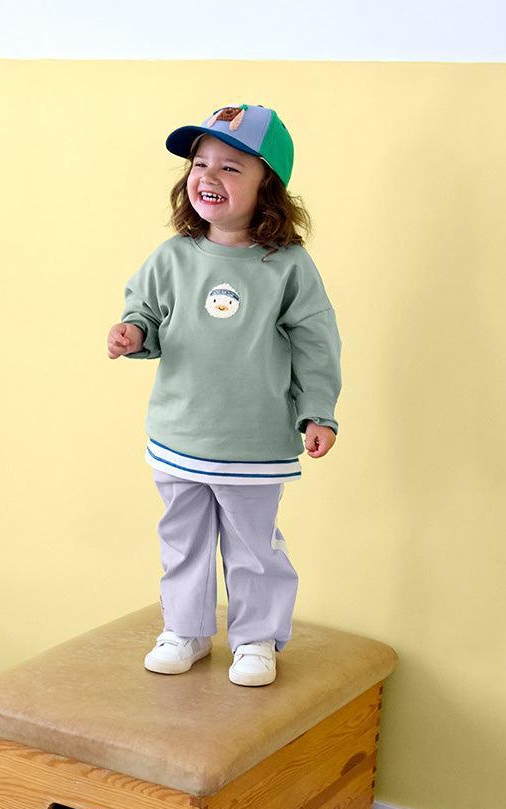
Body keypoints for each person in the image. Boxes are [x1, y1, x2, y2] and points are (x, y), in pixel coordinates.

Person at [107, 103, 341, 687]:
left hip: (253, 443)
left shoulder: (287, 267)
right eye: (200, 164)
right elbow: (145, 312)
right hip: (179, 436)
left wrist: (318, 411)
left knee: (253, 547)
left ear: (268, 188)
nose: (208, 177)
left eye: (231, 167)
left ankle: (256, 638)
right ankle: (184, 630)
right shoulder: (173, 257)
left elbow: (316, 343)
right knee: (182, 542)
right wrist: (133, 333)